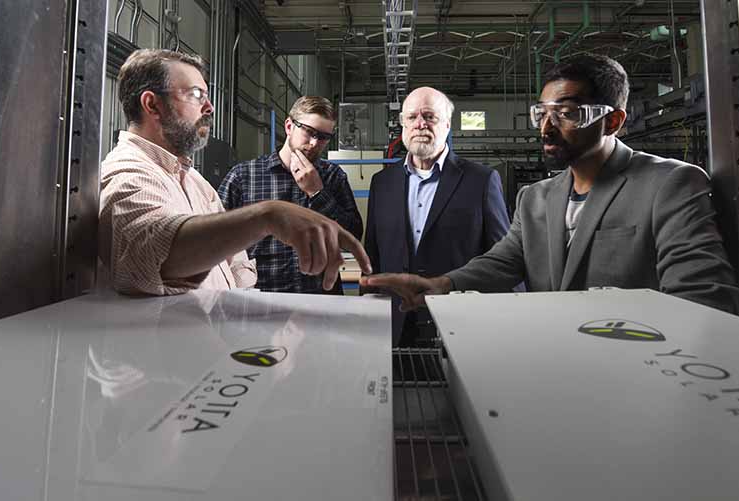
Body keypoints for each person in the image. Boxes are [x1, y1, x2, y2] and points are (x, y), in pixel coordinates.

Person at [361, 54, 739, 315]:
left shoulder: (670, 184)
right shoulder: (536, 198)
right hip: (554, 366)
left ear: (612, 121)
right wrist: (440, 284)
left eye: (566, 113)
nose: (547, 127)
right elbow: (502, 262)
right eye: (542, 113)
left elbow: (704, 299)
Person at [99, 49, 370, 296]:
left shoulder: (195, 181)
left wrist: (244, 307)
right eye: (196, 95)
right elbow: (152, 255)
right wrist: (268, 216)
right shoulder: (128, 172)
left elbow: (234, 260)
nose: (210, 107)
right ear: (152, 105)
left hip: (262, 317)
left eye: (323, 137)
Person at [364, 86, 511, 345]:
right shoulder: (382, 183)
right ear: (403, 125)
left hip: (460, 325)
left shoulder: (481, 180)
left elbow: (503, 259)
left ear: (446, 124)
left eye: (429, 116)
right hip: (395, 327)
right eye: (412, 117)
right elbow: (372, 256)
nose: (420, 124)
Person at [217, 96, 362, 294]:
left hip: (320, 301)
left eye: (323, 137)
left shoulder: (333, 177)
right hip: (261, 303)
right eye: (309, 132)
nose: (314, 143)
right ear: (288, 126)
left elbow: (352, 236)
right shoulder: (243, 177)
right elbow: (215, 239)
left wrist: (317, 192)